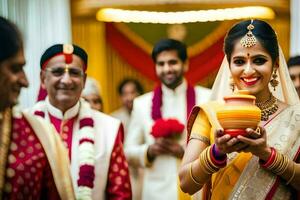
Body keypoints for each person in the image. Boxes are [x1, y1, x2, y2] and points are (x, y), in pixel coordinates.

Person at [179, 19, 300, 199]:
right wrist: (216, 153)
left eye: (259, 60)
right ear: (229, 65)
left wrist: (266, 154)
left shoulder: (295, 117)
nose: (248, 70)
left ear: (275, 64)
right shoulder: (210, 114)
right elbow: (186, 183)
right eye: (239, 61)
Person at [30, 44, 132, 199]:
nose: (67, 80)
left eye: (74, 73)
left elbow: (120, 194)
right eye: (58, 72)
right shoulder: (24, 124)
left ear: (84, 80)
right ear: (43, 78)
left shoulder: (109, 127)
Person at [125, 38, 211, 200]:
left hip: (197, 192)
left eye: (173, 62)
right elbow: (128, 152)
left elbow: (217, 147)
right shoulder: (141, 104)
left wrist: (185, 152)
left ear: (185, 64)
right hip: (156, 194)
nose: (167, 69)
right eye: (161, 64)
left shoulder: (206, 98)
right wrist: (150, 151)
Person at [0, 17, 74, 199]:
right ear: (44, 78)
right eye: (15, 68)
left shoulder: (40, 134)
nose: (25, 82)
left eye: (74, 73)